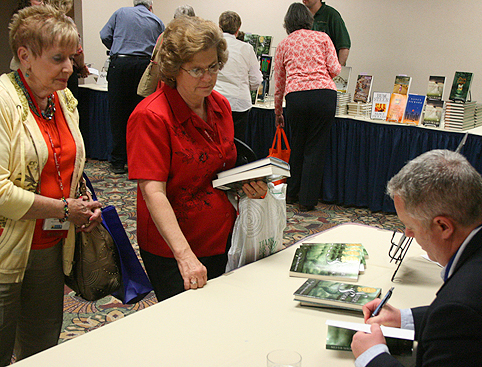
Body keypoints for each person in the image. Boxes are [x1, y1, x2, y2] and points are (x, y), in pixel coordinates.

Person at [351, 149, 482, 367]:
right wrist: (403, 319)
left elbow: (466, 316)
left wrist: (373, 356)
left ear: (443, 226)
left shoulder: (460, 307)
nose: (407, 234)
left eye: (411, 227)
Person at [126, 16, 267, 302]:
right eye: (197, 70)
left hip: (220, 236)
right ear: (174, 69)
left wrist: (247, 184)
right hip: (175, 247)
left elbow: (220, 168)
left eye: (213, 67)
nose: (209, 77)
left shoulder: (220, 105)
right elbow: (153, 192)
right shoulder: (151, 116)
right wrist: (185, 255)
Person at [1, 5, 102, 364]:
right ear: (24, 56)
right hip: (4, 251)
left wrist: (82, 200)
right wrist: (64, 209)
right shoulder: (3, 100)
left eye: (72, 57)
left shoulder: (62, 99)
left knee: (41, 348)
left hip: (49, 245)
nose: (69, 68)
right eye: (58, 58)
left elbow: (65, 163)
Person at [273, 2, 341, 212]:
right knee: (315, 148)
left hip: (296, 98)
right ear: (308, 20)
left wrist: (278, 112)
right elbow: (336, 69)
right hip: (324, 95)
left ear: (288, 22)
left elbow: (279, 81)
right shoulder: (323, 38)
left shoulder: (284, 44)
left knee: (298, 144)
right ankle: (307, 200)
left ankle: (291, 193)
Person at [100, 0, 164, 174]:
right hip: (145, 68)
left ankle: (118, 162)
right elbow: (161, 45)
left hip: (120, 64)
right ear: (150, 6)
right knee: (142, 115)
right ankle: (138, 161)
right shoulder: (157, 20)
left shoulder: (120, 13)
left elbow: (105, 35)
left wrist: (116, 47)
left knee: (118, 113)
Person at [214, 11, 262, 143]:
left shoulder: (213, 46)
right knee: (237, 144)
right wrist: (246, 87)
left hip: (215, 101)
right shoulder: (247, 48)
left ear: (219, 26)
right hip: (239, 104)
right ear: (238, 29)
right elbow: (256, 80)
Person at [137, 4, 195, 98]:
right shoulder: (196, 37)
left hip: (167, 82)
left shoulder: (165, 35)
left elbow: (155, 60)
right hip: (186, 83)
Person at [302, 0, 351, 66]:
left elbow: (344, 46)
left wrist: (339, 72)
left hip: (327, 71)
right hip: (307, 70)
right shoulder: (301, 16)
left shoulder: (331, 15)